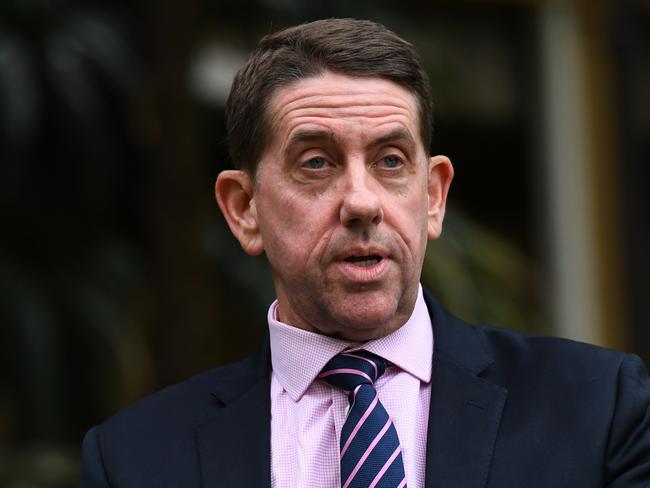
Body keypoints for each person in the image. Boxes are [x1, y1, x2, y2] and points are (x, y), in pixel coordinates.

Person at [80, 18, 650, 487]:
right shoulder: (134, 460)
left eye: (390, 160)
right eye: (317, 163)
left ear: (432, 197)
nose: (362, 202)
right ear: (243, 207)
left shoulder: (598, 409)